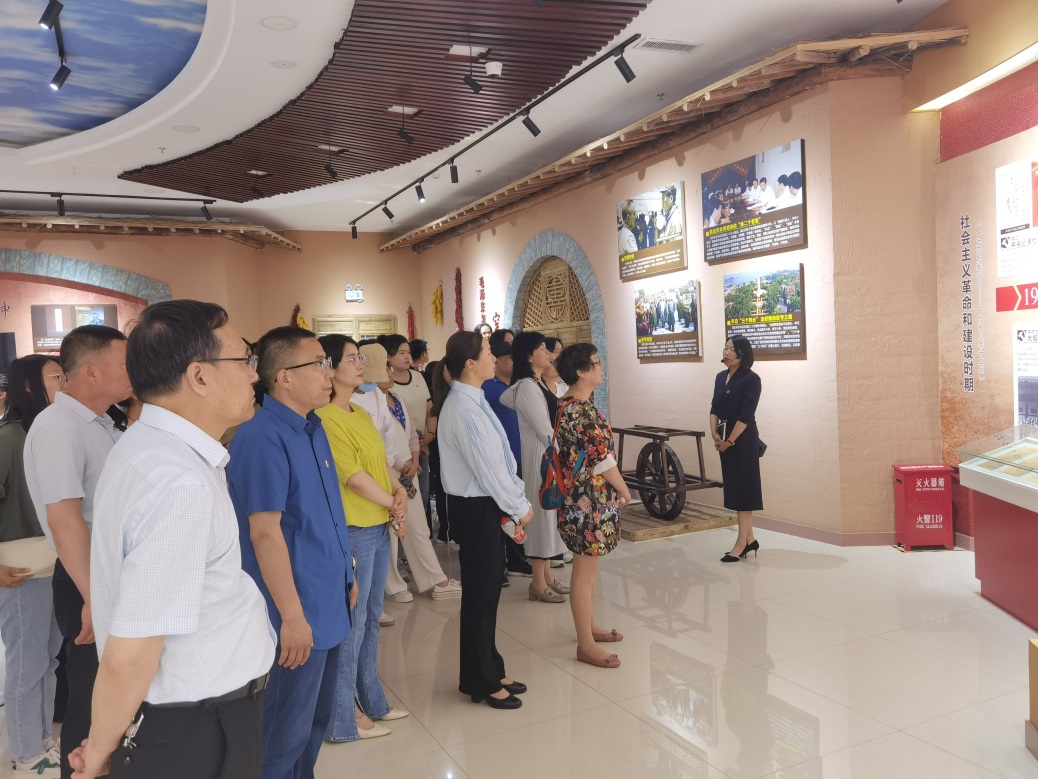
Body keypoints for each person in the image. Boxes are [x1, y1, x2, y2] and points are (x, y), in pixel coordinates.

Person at [73, 301, 276, 779]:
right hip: (196, 730)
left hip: (186, 720)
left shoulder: (149, 448)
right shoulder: (177, 481)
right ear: (199, 376)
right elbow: (133, 649)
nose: (255, 375)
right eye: (244, 359)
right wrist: (100, 751)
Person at [227, 326, 356, 779]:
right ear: (283, 376)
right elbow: (264, 534)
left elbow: (324, 513)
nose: (329, 373)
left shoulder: (313, 428)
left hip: (328, 597)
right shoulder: (261, 437)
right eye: (319, 364)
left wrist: (347, 573)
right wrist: (293, 617)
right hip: (294, 611)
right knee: (282, 736)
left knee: (313, 725)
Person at [23, 325, 131, 779]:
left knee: (114, 702)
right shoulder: (59, 427)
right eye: (124, 364)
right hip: (85, 577)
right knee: (90, 705)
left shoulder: (101, 422)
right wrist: (93, 595)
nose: (134, 372)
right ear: (91, 371)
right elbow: (65, 519)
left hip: (105, 575)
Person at [315, 336, 409, 743]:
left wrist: (398, 492)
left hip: (378, 523)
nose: (360, 364)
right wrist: (392, 502)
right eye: (352, 358)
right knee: (351, 624)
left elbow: (379, 463)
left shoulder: (359, 411)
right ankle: (344, 716)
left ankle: (371, 698)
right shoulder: (325, 419)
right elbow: (352, 477)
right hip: (355, 528)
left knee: (371, 617)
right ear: (330, 368)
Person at [438, 332, 532, 709]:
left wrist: (512, 499)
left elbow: (498, 460)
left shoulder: (473, 399)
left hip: (485, 505)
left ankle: (491, 667)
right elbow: (488, 469)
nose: (495, 358)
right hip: (475, 507)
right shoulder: (462, 407)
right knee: (480, 595)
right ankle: (480, 680)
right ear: (470, 363)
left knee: (489, 592)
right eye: (489, 353)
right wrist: (518, 506)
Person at [0, 356, 64, 778]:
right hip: (20, 570)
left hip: (51, 564)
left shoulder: (44, 434)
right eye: (56, 376)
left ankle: (41, 740)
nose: (64, 382)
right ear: (29, 386)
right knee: (27, 663)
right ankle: (25, 755)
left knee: (47, 659)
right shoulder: (10, 438)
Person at [555, 343, 631, 669]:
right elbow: (602, 459)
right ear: (581, 371)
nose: (601, 368)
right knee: (584, 573)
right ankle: (585, 644)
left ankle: (590, 627)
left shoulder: (570, 404)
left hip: (584, 499)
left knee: (588, 569)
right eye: (596, 363)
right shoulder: (579, 410)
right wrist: (624, 489)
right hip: (587, 502)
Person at [501, 333, 569, 603]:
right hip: (541, 459)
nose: (549, 353)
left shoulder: (538, 383)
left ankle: (547, 577)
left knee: (548, 517)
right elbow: (545, 431)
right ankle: (538, 584)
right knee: (541, 519)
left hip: (548, 457)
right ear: (529, 356)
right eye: (542, 348)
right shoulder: (528, 387)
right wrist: (568, 451)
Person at [481, 340, 532, 583]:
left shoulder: (517, 385)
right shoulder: (487, 387)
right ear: (499, 361)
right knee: (499, 514)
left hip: (519, 456)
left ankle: (517, 561)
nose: (514, 362)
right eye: (509, 358)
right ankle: (498, 566)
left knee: (516, 513)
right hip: (499, 460)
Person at [710, 336, 763, 563]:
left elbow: (746, 416)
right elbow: (714, 407)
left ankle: (740, 544)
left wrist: (729, 441)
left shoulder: (752, 379)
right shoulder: (720, 377)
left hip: (743, 441)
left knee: (744, 492)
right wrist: (714, 433)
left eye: (732, 349)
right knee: (736, 489)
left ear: (743, 354)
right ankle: (750, 539)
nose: (727, 352)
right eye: (726, 347)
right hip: (724, 440)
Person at [379, 335, 434, 542]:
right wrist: (404, 462)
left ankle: (418, 542)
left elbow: (429, 409)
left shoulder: (417, 377)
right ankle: (402, 549)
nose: (407, 357)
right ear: (388, 357)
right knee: (398, 503)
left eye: (408, 352)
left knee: (420, 498)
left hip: (418, 446)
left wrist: (429, 436)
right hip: (395, 455)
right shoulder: (384, 385)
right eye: (401, 353)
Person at [428, 360, 452, 544]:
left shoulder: (450, 395)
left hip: (445, 451)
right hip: (442, 451)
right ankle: (446, 531)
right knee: (445, 490)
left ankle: (448, 530)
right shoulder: (439, 398)